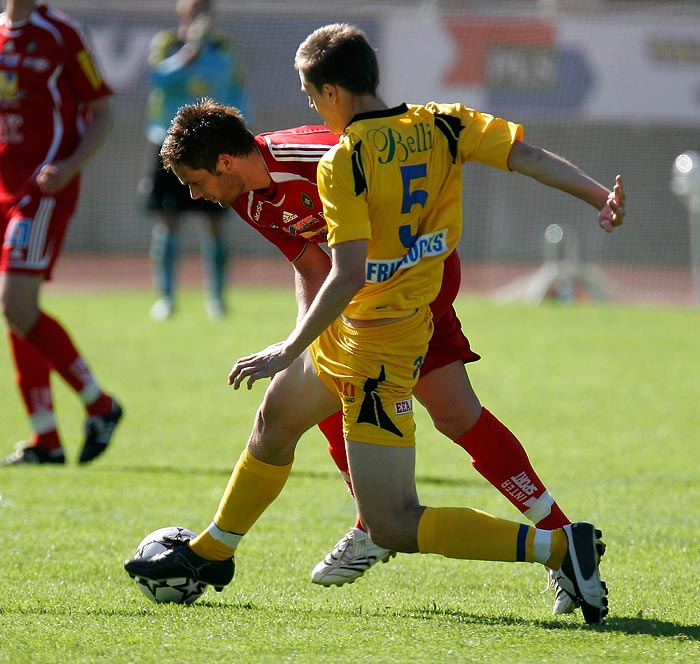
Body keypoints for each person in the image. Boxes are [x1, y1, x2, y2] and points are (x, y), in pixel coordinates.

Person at [126, 23, 625, 625]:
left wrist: (291, 346)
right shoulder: (426, 128)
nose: (198, 195)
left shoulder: (334, 158)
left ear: (329, 93)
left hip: (395, 313)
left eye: (197, 182)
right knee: (278, 417)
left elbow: (345, 269)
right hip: (357, 312)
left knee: (448, 424)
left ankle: (544, 541)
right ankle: (215, 552)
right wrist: (299, 340)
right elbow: (314, 264)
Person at [0, 0, 122, 465]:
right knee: (16, 312)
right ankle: (45, 439)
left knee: (16, 305)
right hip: (3, 189)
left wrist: (69, 167)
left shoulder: (61, 34)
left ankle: (100, 404)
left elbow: (103, 111)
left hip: (41, 191)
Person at [141, 0, 250, 320]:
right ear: (182, 14)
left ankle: (216, 297)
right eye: (195, 10)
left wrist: (240, 134)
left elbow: (234, 88)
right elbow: (158, 79)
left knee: (215, 220)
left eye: (206, 10)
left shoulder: (223, 47)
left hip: (211, 148)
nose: (201, 16)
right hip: (167, 143)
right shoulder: (166, 44)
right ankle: (166, 297)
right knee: (168, 220)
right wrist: (189, 51)